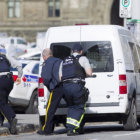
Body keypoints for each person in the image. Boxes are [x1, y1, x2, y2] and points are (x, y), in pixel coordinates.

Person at [60, 43, 92, 136]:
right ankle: (72, 128)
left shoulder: (64, 61)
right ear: (81, 51)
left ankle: (70, 127)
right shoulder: (82, 58)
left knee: (71, 106)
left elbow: (60, 77)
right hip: (76, 86)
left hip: (65, 87)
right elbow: (89, 73)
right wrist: (81, 74)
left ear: (72, 51)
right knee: (79, 107)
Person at [37, 48, 63, 135]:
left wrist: (49, 86)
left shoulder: (48, 62)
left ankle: (47, 130)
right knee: (73, 106)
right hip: (66, 86)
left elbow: (45, 78)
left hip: (56, 88)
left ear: (44, 56)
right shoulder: (59, 60)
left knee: (50, 109)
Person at [0, 44, 22, 134]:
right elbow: (19, 65)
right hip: (9, 80)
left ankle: (12, 118)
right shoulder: (6, 58)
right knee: (3, 100)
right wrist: (19, 77)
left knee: (2, 102)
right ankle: (1, 121)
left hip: (1, 80)